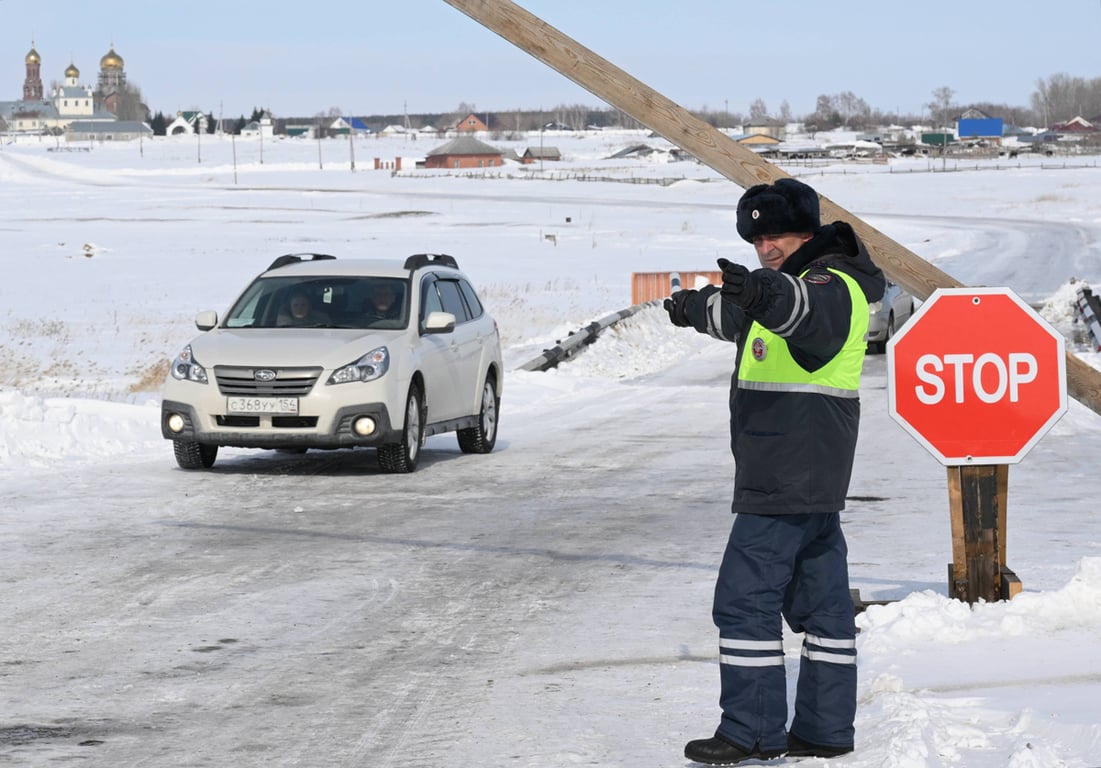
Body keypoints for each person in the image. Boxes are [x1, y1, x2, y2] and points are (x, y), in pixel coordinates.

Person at [663, 178, 885, 765]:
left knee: (744, 600)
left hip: (786, 471)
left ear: (808, 231)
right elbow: (743, 314)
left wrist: (761, 292)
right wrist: (692, 307)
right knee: (823, 606)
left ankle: (752, 730)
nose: (768, 247)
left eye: (778, 234)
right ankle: (824, 728)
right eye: (758, 238)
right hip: (803, 472)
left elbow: (798, 313)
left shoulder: (830, 285)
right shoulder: (785, 285)